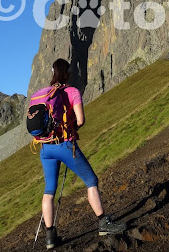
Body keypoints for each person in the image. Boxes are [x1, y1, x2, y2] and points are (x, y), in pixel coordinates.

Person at [39, 58, 125, 249]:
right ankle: (104, 223)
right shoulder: (72, 92)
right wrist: (70, 128)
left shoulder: (45, 94)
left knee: (49, 190)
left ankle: (50, 237)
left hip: (46, 148)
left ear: (52, 73)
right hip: (65, 145)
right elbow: (81, 120)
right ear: (67, 73)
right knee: (91, 181)